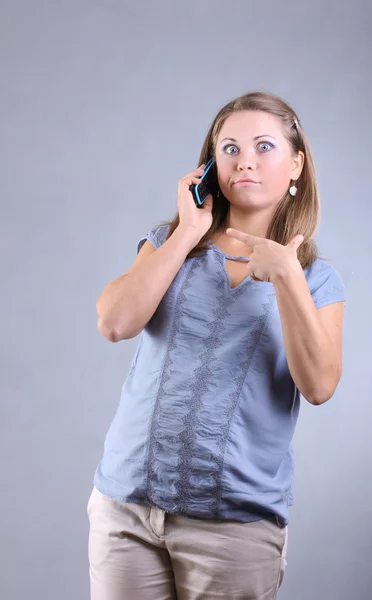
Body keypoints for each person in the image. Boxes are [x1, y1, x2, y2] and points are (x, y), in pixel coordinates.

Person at [88, 91, 346, 599]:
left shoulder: (318, 279)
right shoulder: (169, 241)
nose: (244, 160)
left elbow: (318, 386)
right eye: (229, 148)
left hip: (236, 525)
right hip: (126, 510)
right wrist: (189, 232)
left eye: (264, 146)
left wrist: (288, 280)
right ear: (210, 165)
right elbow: (114, 323)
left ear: (296, 165)